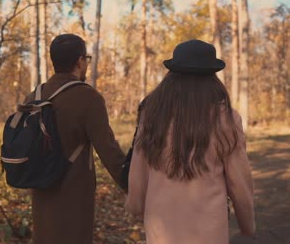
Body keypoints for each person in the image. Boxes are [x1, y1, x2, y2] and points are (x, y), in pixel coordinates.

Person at [125, 39, 255, 244]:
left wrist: (136, 205)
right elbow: (238, 179)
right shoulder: (227, 118)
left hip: (161, 226)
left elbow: (139, 167)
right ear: (212, 77)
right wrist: (247, 223)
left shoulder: (152, 114)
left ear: (171, 76)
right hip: (209, 228)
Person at [26, 33, 126, 244]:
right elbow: (109, 151)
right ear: (80, 61)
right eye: (86, 59)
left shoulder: (34, 96)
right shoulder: (88, 98)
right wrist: (133, 184)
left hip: (40, 190)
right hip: (73, 193)